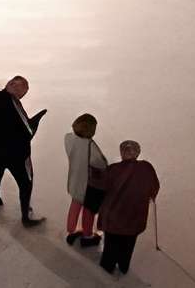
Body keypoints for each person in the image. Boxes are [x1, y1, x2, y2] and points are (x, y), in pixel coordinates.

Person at [0, 75, 46, 225]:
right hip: (16, 154)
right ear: (14, 87)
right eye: (23, 88)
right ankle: (26, 218)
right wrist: (37, 119)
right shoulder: (13, 102)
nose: (23, 92)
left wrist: (4, 90)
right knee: (26, 184)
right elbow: (28, 132)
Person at [92, 139, 160, 275]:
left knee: (110, 246)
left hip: (113, 218)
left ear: (122, 153)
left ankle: (107, 268)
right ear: (138, 153)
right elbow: (154, 188)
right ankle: (123, 266)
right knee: (128, 245)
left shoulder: (113, 169)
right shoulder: (147, 168)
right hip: (135, 218)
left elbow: (100, 186)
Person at [59, 113, 109, 247]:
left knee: (75, 205)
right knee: (88, 210)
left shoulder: (68, 138)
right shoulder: (90, 146)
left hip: (74, 179)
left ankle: (71, 230)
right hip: (87, 184)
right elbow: (100, 163)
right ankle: (87, 235)